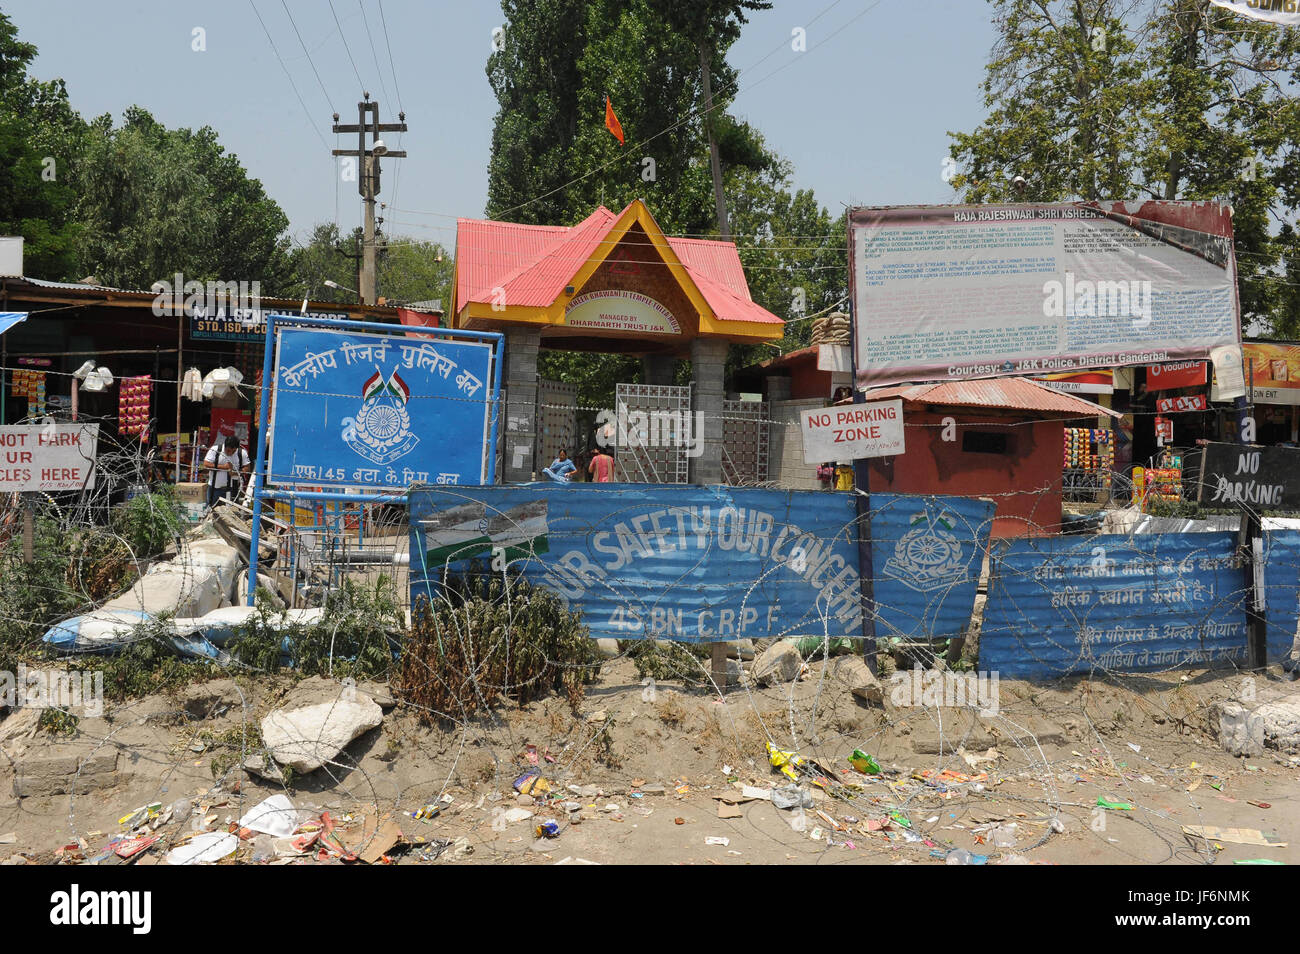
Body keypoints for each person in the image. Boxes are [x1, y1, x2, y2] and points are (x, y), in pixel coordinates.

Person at [204, 434, 250, 508]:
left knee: (231, 512)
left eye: (233, 451)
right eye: (228, 451)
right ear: (224, 446)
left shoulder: (242, 453)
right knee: (211, 510)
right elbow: (206, 464)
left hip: (233, 489)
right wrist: (224, 467)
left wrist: (235, 473)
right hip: (215, 488)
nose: (230, 453)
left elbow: (247, 468)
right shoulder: (215, 450)